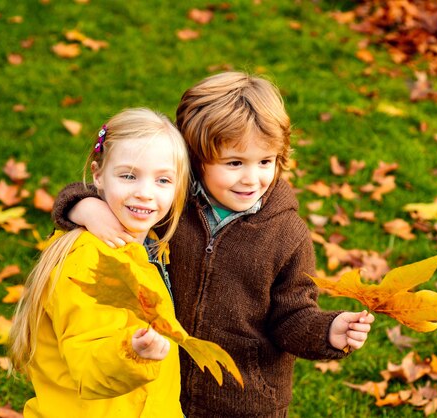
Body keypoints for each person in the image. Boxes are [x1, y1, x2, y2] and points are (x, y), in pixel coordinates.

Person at [52, 72, 375, 417]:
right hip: (164, 387)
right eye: (234, 163)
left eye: (265, 162)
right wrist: (84, 206)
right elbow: (114, 192)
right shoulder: (172, 206)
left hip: (244, 400)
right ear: (197, 158)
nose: (252, 178)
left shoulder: (286, 236)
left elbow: (293, 315)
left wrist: (327, 332)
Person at [8, 108, 190, 417]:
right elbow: (87, 362)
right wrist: (132, 354)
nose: (145, 193)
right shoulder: (88, 262)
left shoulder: (145, 245)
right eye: (128, 175)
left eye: (162, 180)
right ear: (97, 175)